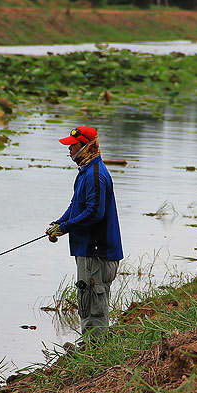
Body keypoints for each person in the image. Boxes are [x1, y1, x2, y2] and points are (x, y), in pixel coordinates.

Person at [46, 126, 123, 337]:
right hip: (88, 252)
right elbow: (75, 206)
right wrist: (59, 224)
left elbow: (94, 214)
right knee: (86, 301)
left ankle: (95, 351)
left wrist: (66, 228)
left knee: (93, 305)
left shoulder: (96, 175)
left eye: (73, 145)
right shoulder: (85, 171)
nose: (69, 150)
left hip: (97, 252)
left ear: (87, 145)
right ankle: (90, 348)